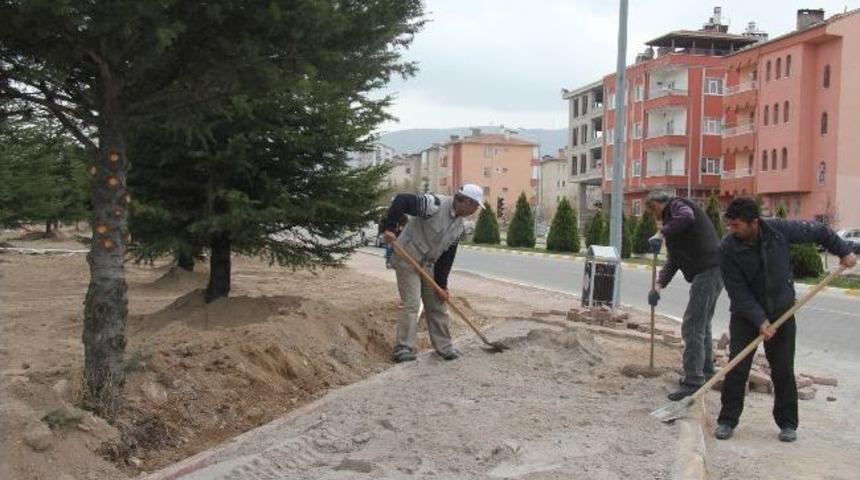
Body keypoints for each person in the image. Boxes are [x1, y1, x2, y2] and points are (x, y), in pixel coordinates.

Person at [715, 197, 857, 442]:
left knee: (782, 369)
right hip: (746, 315)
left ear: (754, 222)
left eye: (736, 225)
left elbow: (819, 231)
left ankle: (787, 423)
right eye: (730, 225)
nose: (731, 230)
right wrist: (760, 321)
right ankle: (727, 420)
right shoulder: (728, 248)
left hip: (782, 312)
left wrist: (843, 251)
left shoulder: (778, 231)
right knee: (737, 367)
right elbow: (737, 291)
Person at [383, 184, 483, 362]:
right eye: (475, 206)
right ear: (466, 201)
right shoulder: (433, 205)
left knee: (437, 304)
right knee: (412, 303)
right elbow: (401, 200)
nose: (475, 210)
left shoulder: (459, 226)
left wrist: (442, 286)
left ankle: (444, 348)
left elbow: (446, 258)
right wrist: (390, 227)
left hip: (428, 264)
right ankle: (402, 349)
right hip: (407, 258)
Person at [644, 191, 723, 401]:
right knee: (702, 324)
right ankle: (705, 372)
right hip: (708, 271)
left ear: (661, 202)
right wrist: (658, 287)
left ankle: (693, 382)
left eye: (653, 209)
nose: (655, 216)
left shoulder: (678, 205)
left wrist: (661, 234)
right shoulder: (674, 226)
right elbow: (673, 261)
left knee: (692, 325)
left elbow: (687, 216)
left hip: (709, 270)